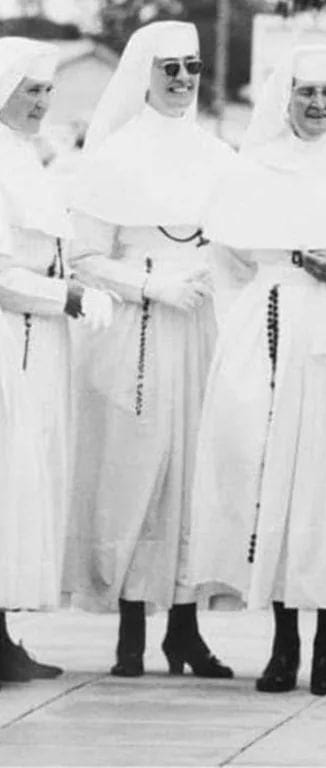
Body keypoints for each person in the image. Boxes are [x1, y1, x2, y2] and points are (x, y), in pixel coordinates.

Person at [186, 45, 326, 696]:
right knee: (269, 477)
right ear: (286, 98)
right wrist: (250, 317)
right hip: (268, 325)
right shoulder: (256, 168)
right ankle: (283, 642)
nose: (317, 104)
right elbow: (228, 261)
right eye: (306, 93)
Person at [63, 21, 236, 679]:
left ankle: (185, 630)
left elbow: (237, 241)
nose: (183, 79)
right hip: (135, 331)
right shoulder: (113, 158)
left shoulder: (218, 155)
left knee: (196, 473)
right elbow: (85, 257)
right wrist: (151, 285)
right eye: (170, 68)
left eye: (192, 66)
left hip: (201, 326)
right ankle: (131, 628)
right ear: (146, 74)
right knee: (135, 470)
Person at [0, 37, 114, 683]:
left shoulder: (26, 157)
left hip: (36, 341)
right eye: (30, 91)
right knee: (8, 479)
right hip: (9, 338)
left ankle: (3, 630)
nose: (42, 102)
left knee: (26, 484)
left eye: (47, 90)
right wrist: (64, 296)